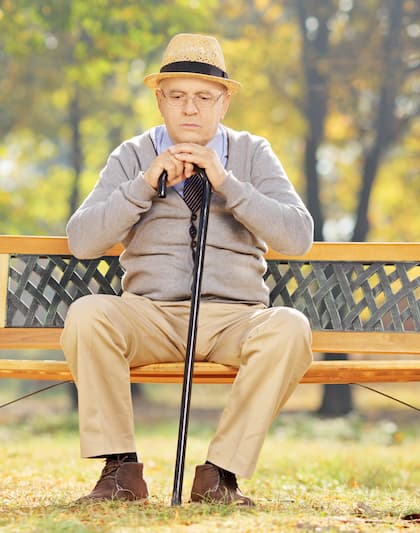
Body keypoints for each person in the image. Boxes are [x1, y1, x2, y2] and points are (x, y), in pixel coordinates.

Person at [61, 33, 314, 506]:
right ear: (160, 101)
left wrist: (226, 183)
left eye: (203, 98)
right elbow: (83, 241)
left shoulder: (252, 153)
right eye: (177, 97)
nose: (190, 109)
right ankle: (120, 472)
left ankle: (220, 475)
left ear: (224, 103)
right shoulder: (132, 154)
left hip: (235, 318)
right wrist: (143, 185)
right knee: (88, 314)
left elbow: (297, 237)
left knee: (290, 327)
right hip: (149, 315)